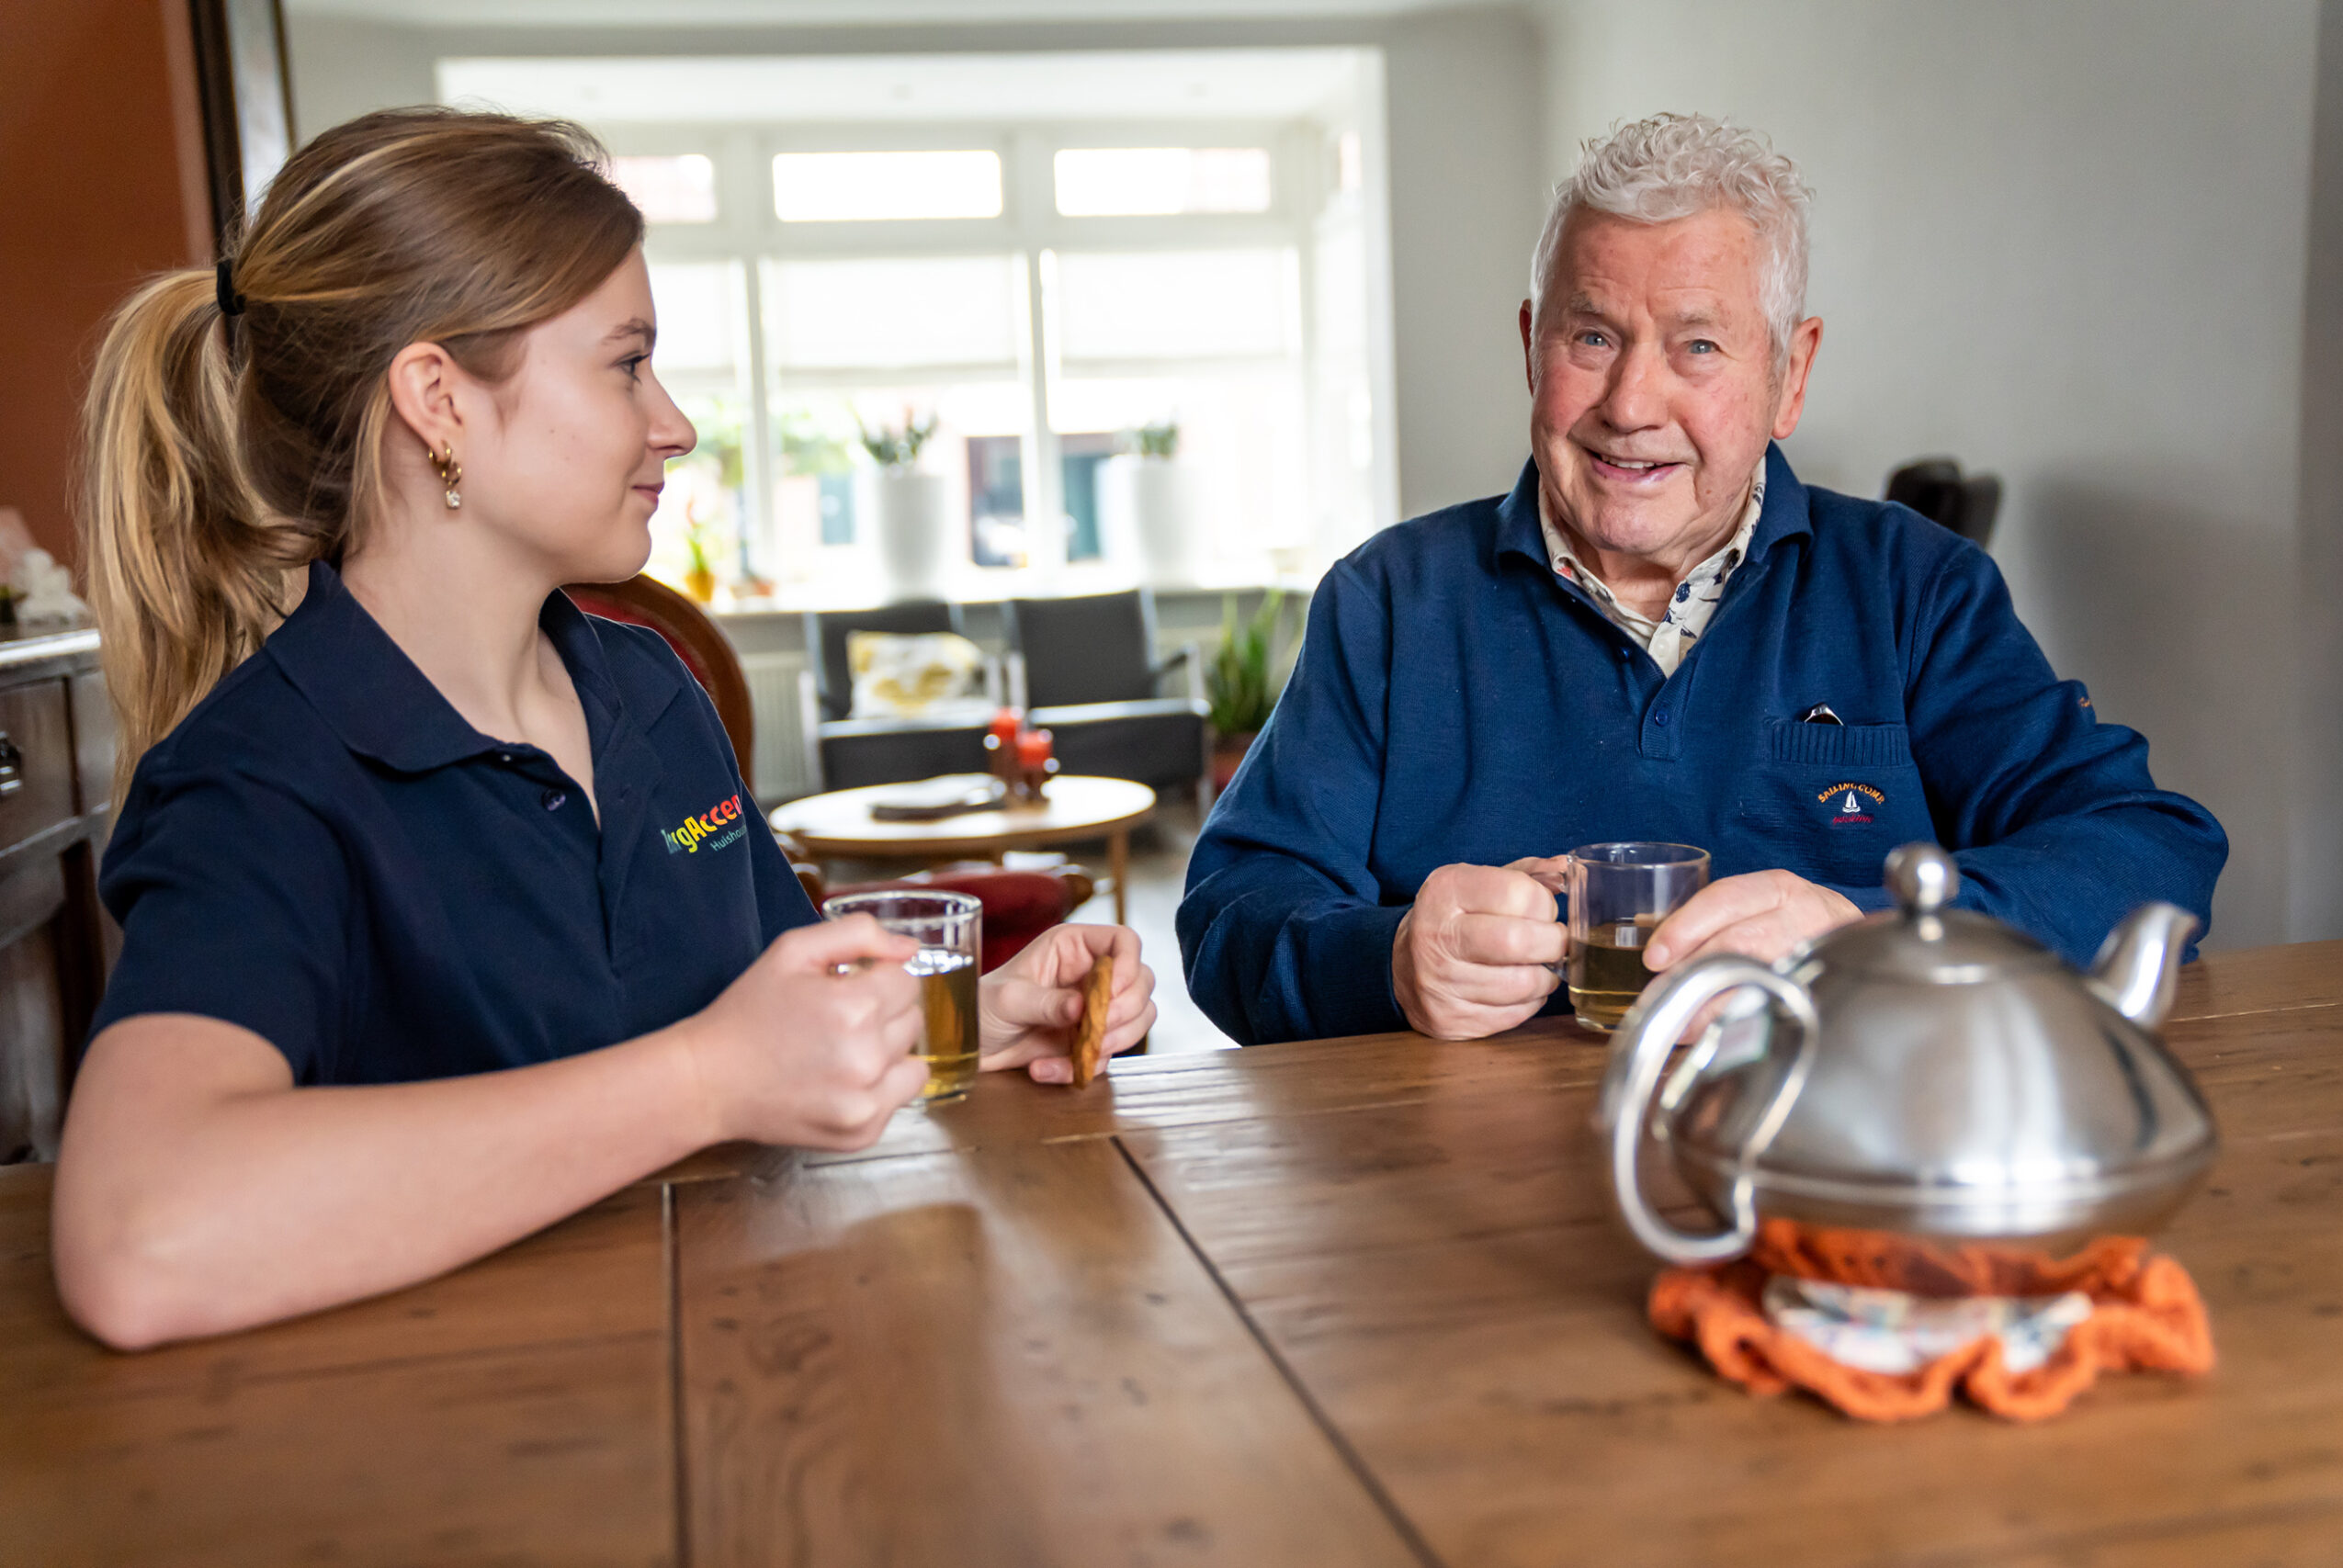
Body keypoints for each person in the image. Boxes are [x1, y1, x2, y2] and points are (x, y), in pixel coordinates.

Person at [55, 108, 1156, 1351]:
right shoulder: (262, 780)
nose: (674, 422)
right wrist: (702, 1080)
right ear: (438, 402)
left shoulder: (649, 689)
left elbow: (774, 1019)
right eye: (626, 363)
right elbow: (139, 1237)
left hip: (744, 1382)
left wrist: (973, 1018)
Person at [1180, 112, 2224, 1046]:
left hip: (1838, 1172)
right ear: (1530, 348)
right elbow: (1231, 913)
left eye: (1697, 347)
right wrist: (1391, 960)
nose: (1631, 403)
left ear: (1790, 374)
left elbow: (2149, 852)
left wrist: (1865, 932)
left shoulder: (1915, 587)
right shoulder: (1387, 604)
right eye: (1591, 337)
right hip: (1458, 1192)